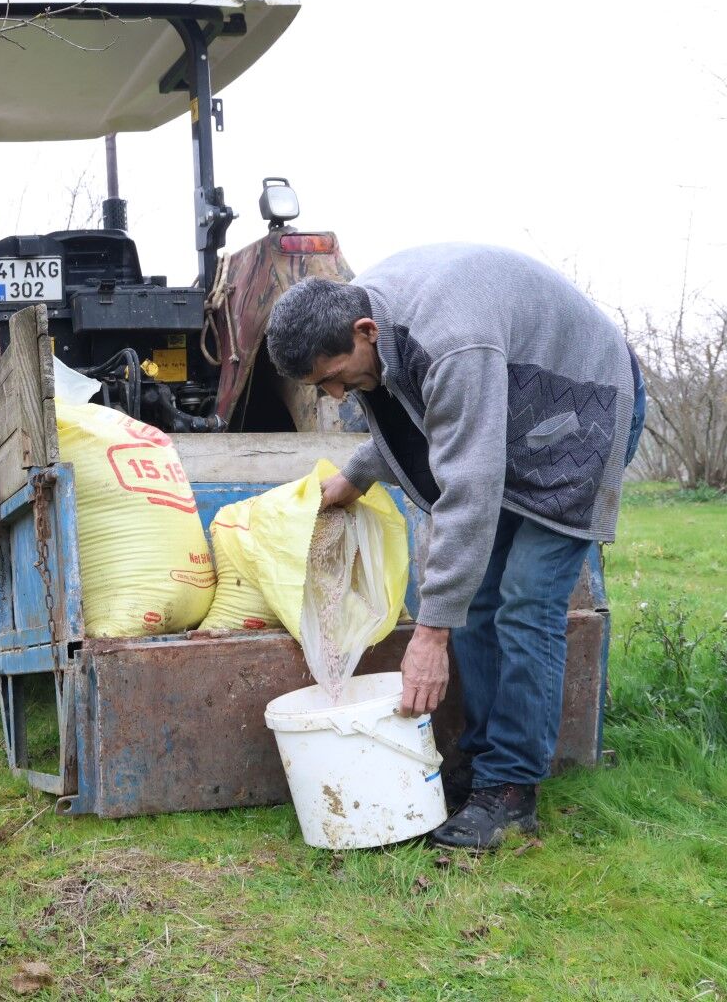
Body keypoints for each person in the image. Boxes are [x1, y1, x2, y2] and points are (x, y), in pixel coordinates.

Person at [265, 243, 646, 851]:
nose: (336, 395)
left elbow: (467, 486)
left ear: (364, 331)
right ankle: (485, 761)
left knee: (526, 598)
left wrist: (431, 633)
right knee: (476, 592)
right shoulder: (371, 317)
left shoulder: (451, 342)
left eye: (335, 377)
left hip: (582, 407)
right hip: (510, 407)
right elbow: (432, 416)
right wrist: (358, 473)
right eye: (322, 386)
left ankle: (512, 789)